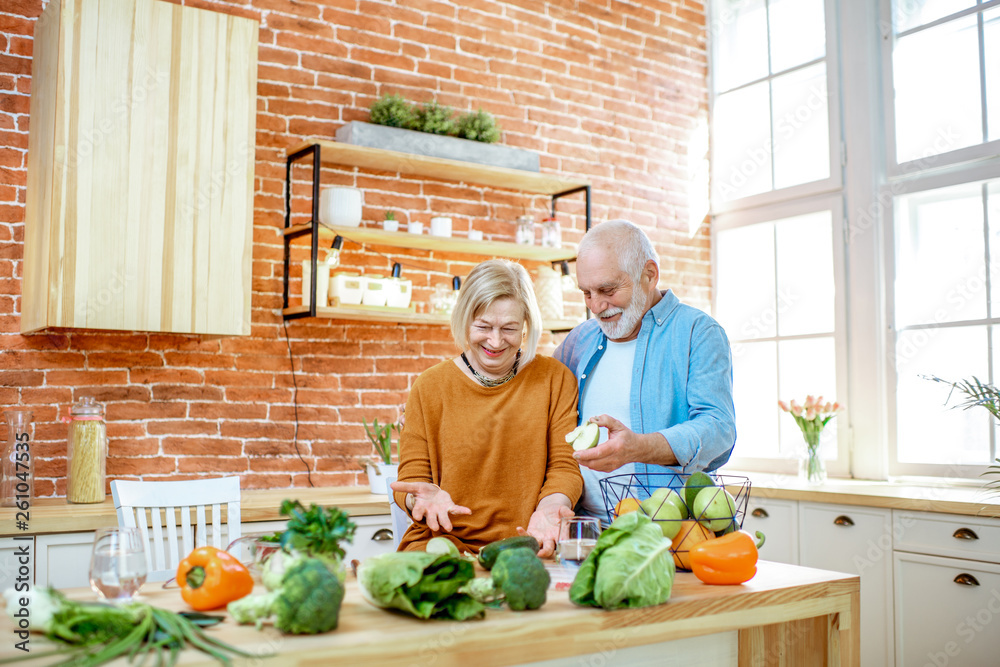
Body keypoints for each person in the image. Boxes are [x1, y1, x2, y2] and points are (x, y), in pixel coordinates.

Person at [391, 259, 583, 557]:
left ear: (526, 326)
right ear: (465, 319)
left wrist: (551, 508)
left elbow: (564, 466)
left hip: (530, 543)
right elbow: (413, 479)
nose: (495, 341)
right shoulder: (429, 386)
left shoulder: (555, 380)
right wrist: (420, 501)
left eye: (509, 328)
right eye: (483, 326)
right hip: (443, 545)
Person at [554, 220, 736, 522]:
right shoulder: (579, 341)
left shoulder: (698, 332)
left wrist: (640, 447)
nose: (596, 306)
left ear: (649, 275)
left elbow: (718, 428)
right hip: (583, 526)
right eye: (586, 293)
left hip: (667, 531)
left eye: (608, 289)